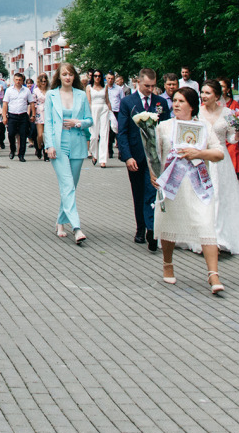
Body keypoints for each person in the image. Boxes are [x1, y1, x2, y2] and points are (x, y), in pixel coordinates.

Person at [152, 87, 227, 294]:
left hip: (197, 186)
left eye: (181, 101)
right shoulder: (164, 127)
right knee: (170, 224)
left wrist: (199, 152)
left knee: (205, 225)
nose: (176, 104)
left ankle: (214, 275)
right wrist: (152, 173)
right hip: (172, 185)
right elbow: (154, 154)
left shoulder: (203, 127)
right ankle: (168, 264)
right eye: (174, 100)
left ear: (192, 106)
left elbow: (219, 152)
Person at [187, 80, 239, 256]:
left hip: (220, 159)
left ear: (217, 96)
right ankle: (203, 238)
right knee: (203, 198)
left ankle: (219, 238)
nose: (203, 96)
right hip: (201, 159)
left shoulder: (227, 113)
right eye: (202, 92)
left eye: (208, 93)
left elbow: (231, 137)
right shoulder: (196, 113)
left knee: (220, 198)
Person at [116, 68, 170, 251]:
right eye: (147, 86)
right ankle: (140, 227)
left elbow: (167, 128)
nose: (150, 90)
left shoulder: (161, 102)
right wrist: (127, 156)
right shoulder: (127, 102)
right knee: (138, 192)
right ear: (137, 82)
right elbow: (122, 131)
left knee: (151, 191)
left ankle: (151, 229)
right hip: (136, 155)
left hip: (155, 157)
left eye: (153, 86)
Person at [44, 62, 93, 244]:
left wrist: (77, 122)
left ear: (74, 77)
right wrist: (49, 145)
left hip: (78, 144)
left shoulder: (81, 95)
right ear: (59, 76)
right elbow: (48, 121)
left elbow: (90, 120)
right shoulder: (51, 95)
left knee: (71, 186)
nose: (67, 77)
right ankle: (77, 227)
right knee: (67, 185)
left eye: (70, 74)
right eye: (64, 74)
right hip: (58, 145)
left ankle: (60, 222)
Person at [2, 72, 35, 161]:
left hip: (23, 115)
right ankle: (12, 150)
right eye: (16, 80)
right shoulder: (9, 90)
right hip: (12, 115)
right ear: (14, 80)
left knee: (23, 135)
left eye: (20, 80)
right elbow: (5, 104)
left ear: (22, 81)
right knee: (11, 134)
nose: (18, 81)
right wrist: (4, 116)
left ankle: (21, 154)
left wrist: (33, 115)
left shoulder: (26, 90)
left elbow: (31, 103)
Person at [87, 70, 117, 166]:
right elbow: (89, 102)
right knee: (94, 136)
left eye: (99, 76)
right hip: (94, 109)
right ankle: (94, 154)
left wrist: (111, 112)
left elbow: (107, 100)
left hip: (104, 108)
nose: (97, 78)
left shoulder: (105, 87)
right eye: (95, 76)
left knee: (104, 134)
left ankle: (103, 159)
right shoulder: (89, 87)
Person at [32, 73, 50, 159]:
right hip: (39, 112)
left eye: (45, 81)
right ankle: (39, 147)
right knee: (40, 135)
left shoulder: (49, 90)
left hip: (48, 112)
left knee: (47, 134)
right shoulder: (36, 91)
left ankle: (46, 151)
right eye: (42, 81)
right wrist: (33, 114)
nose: (43, 83)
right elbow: (33, 103)